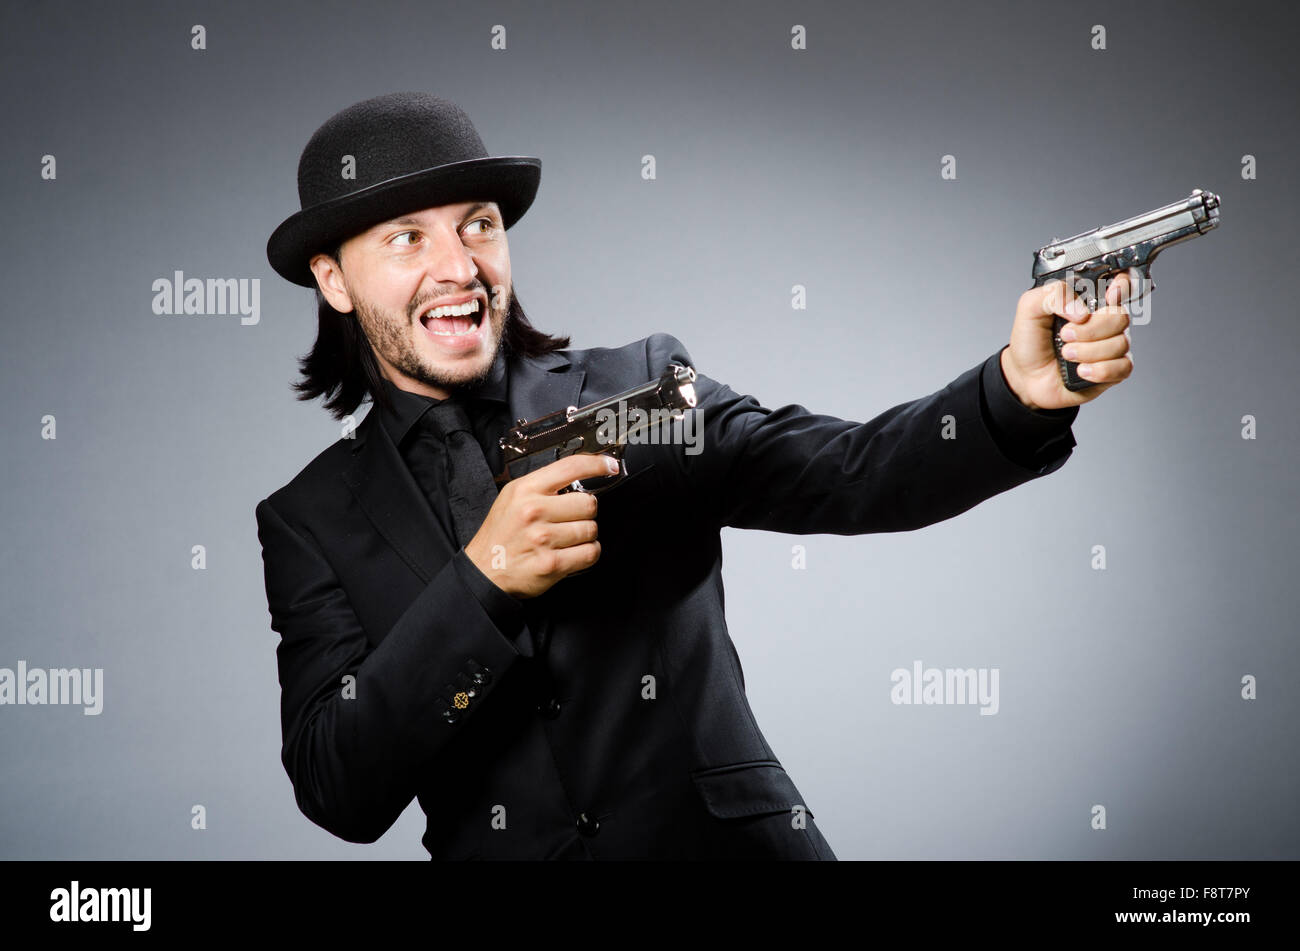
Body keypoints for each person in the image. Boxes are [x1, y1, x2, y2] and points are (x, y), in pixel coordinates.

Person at [257, 92, 1133, 860]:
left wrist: (1020, 393)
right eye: (407, 237)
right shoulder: (308, 520)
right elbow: (340, 787)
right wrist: (481, 583)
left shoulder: (638, 390)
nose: (459, 267)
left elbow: (853, 472)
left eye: (477, 223)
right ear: (333, 279)